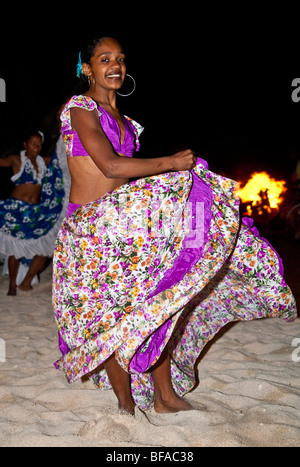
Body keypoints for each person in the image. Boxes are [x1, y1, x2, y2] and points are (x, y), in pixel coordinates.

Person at [53, 37, 297, 418]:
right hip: (92, 232)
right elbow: (111, 167)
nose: (115, 65)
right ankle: (126, 405)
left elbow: (126, 177)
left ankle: (164, 395)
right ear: (87, 68)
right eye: (104, 59)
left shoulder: (123, 119)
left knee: (161, 299)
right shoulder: (79, 108)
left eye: (120, 59)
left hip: (126, 223)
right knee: (111, 315)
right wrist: (170, 163)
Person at [0, 130, 65, 295]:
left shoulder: (44, 161)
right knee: (15, 248)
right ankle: (12, 285)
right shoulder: (16, 160)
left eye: (39, 144)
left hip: (36, 212)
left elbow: (63, 161)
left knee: (45, 248)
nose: (37, 147)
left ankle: (26, 281)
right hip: (15, 210)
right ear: (25, 144)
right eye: (33, 143)